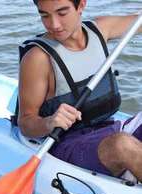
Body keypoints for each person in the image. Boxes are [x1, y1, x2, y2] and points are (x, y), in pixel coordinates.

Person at [17, 0, 142, 181]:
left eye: (62, 12)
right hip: (68, 144)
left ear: (81, 5)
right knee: (122, 145)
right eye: (45, 15)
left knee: (122, 140)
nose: (54, 24)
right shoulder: (37, 58)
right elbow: (26, 122)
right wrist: (50, 122)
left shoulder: (101, 30)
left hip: (110, 128)